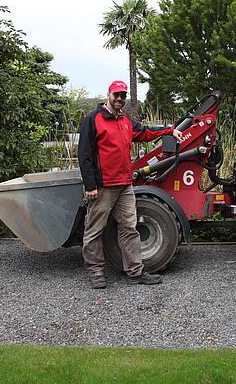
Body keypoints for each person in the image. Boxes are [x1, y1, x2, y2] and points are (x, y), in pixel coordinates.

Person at [78, 80, 183, 289]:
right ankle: (96, 272)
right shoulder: (93, 119)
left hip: (125, 185)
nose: (119, 99)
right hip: (103, 186)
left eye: (123, 96)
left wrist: (169, 131)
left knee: (129, 228)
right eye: (116, 95)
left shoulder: (124, 120)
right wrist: (91, 186)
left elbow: (144, 133)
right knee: (94, 230)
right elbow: (84, 154)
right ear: (108, 94)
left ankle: (135, 271)